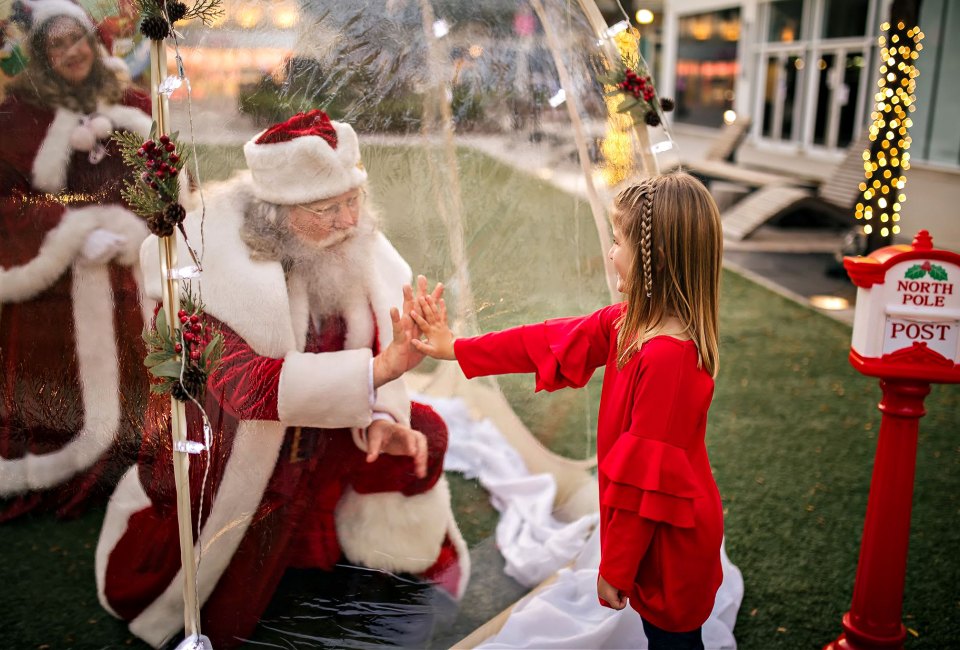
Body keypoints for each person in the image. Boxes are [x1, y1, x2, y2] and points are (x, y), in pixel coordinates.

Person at [96, 110, 469, 648]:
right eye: (326, 210)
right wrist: (381, 369)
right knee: (239, 595)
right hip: (237, 451)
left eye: (352, 201)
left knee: (423, 434)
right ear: (277, 216)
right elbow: (246, 387)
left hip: (326, 436)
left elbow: (366, 340)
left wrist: (384, 415)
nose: (349, 221)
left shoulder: (350, 248)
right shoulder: (203, 273)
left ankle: (361, 551)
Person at [411, 172, 724, 650]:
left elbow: (647, 485)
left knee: (673, 641)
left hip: (671, 543)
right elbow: (544, 340)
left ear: (652, 259)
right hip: (652, 530)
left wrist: (616, 568)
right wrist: (457, 348)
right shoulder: (628, 325)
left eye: (617, 241)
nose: (610, 253)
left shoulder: (669, 363)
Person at [0, 0, 154, 521]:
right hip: (51, 293)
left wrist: (134, 231)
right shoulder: (15, 118)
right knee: (58, 384)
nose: (71, 52)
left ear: (94, 39)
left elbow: (167, 185)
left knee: (135, 376)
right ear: (42, 56)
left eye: (77, 39)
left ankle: (125, 465)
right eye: (56, 44)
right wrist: (68, 231)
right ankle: (55, 472)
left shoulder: (134, 104)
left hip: (126, 279)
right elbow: (5, 203)